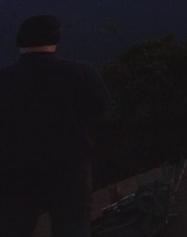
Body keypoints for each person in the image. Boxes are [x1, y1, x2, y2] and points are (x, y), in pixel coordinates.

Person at [0, 15, 111, 236]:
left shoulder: (4, 80)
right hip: (69, 168)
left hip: (15, 172)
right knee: (73, 227)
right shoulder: (80, 72)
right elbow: (103, 108)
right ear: (55, 39)